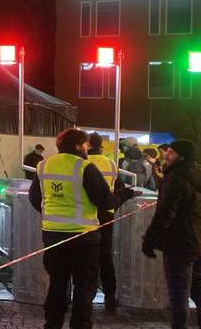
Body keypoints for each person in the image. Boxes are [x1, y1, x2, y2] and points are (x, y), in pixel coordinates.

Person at [29, 128, 138, 329]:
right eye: (86, 144)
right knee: (84, 286)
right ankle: (80, 325)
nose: (87, 148)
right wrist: (127, 194)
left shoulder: (44, 165)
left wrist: (52, 216)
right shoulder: (84, 166)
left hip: (53, 236)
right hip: (84, 237)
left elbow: (35, 198)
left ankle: (52, 324)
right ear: (79, 145)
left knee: (57, 283)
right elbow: (105, 201)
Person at [142, 140, 201, 329]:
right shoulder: (197, 174)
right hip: (197, 239)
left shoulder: (175, 178)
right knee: (197, 290)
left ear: (179, 155)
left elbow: (166, 212)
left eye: (170, 152)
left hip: (179, 241)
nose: (166, 155)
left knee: (178, 291)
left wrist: (150, 239)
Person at [87, 133, 127, 312]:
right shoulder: (110, 163)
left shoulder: (81, 162)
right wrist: (112, 209)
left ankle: (85, 297)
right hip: (106, 216)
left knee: (84, 257)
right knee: (105, 257)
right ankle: (110, 298)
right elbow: (119, 188)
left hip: (85, 215)